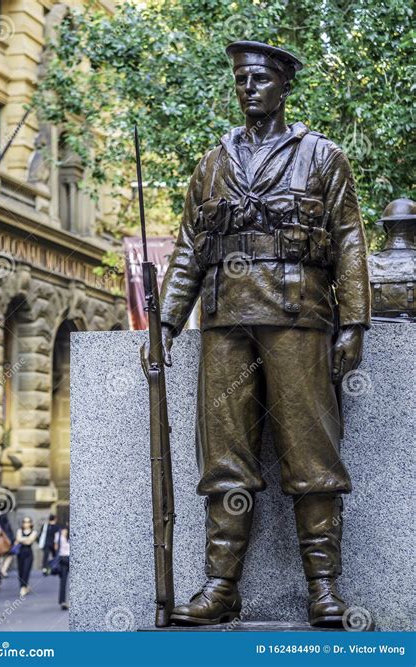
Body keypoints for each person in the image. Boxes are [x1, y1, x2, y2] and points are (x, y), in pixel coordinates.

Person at [159, 41, 371, 627]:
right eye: (241, 80)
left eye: (259, 79)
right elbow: (188, 251)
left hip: (299, 318)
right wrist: (167, 322)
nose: (248, 89)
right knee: (225, 459)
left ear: (283, 86)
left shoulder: (321, 157)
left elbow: (349, 240)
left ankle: (324, 588)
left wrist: (353, 323)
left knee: (311, 454)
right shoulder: (211, 163)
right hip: (225, 321)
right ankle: (221, 587)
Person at [15, 517, 38, 598]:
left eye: (28, 522)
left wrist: (22, 539)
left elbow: (29, 541)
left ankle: (23, 587)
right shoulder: (19, 531)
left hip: (28, 553)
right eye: (24, 522)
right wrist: (25, 539)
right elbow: (18, 539)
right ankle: (24, 585)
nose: (26, 523)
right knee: (20, 571)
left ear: (31, 523)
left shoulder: (34, 532)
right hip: (20, 553)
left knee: (26, 570)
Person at [55, 525, 70, 610]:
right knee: (64, 580)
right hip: (64, 558)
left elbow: (56, 547)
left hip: (66, 558)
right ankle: (63, 601)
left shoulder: (59, 535)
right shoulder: (59, 535)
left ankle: (63, 601)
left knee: (64, 581)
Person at [0, 512, 15, 578]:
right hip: (7, 543)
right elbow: (10, 534)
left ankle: (0, 570)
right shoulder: (7, 524)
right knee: (9, 557)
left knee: (1, 557)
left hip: (0, 544)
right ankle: (3, 570)